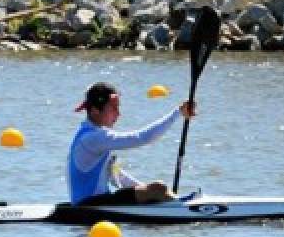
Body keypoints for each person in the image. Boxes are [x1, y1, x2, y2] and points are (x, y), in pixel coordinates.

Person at [67, 81, 196, 205]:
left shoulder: (91, 134)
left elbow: (116, 176)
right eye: (113, 108)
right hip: (90, 205)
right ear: (95, 110)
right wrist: (178, 113)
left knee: (157, 190)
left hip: (98, 201)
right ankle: (184, 207)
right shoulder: (93, 138)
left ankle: (177, 203)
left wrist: (146, 191)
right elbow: (142, 138)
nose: (119, 114)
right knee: (159, 188)